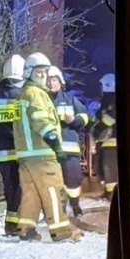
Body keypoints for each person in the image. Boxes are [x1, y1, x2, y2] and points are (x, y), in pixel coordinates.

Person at [12, 53, 80, 242]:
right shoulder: (36, 94)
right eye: (39, 72)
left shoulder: (24, 94)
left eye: (45, 72)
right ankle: (61, 231)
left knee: (31, 193)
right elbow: (41, 121)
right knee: (53, 190)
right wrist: (56, 146)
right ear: (29, 73)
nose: (43, 76)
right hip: (42, 154)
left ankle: (26, 229)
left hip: (27, 155)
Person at [0, 55, 27, 235]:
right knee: (21, 187)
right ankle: (14, 224)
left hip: (2, 152)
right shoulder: (26, 94)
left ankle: (11, 223)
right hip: (22, 151)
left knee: (10, 186)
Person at [47, 66, 93, 218]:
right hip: (50, 150)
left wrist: (75, 120)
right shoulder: (43, 101)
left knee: (73, 180)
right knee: (54, 182)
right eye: (48, 80)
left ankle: (75, 205)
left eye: (54, 80)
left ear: (60, 82)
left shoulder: (71, 100)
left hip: (70, 149)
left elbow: (86, 117)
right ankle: (59, 210)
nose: (51, 83)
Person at [90, 72, 118, 195]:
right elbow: (96, 118)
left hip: (113, 141)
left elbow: (109, 118)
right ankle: (108, 191)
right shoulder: (105, 102)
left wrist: (97, 130)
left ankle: (112, 194)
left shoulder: (113, 100)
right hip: (104, 141)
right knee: (102, 166)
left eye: (102, 86)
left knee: (109, 167)